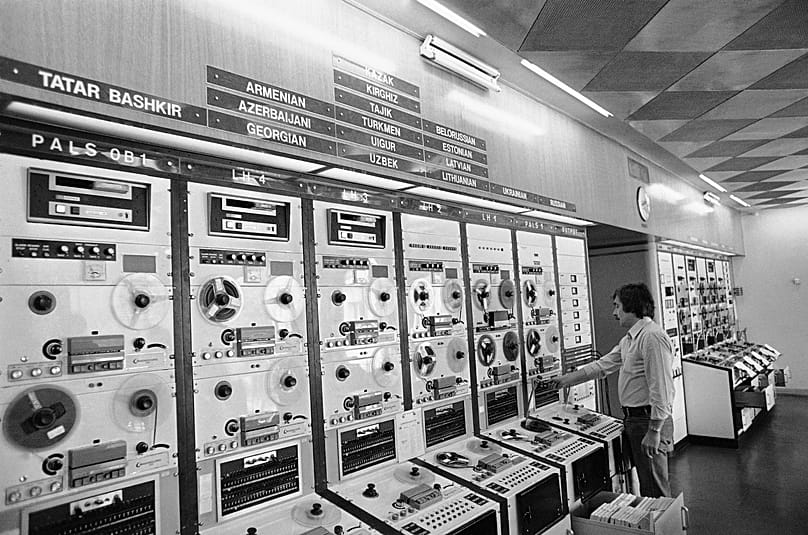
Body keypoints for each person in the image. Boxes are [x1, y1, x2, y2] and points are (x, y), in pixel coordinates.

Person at [552, 282, 675, 497]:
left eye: (617, 306)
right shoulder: (630, 339)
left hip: (648, 421)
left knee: (656, 489)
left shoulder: (651, 337)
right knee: (647, 485)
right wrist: (565, 380)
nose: (614, 312)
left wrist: (654, 431)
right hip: (635, 421)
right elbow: (603, 366)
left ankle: (665, 529)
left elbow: (662, 389)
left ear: (632, 306)